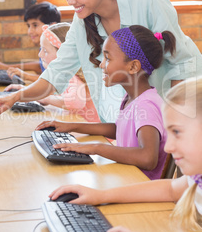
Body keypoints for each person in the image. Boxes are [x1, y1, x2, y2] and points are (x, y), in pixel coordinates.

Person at [0, 0, 202, 123]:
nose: (71, 1)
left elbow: (182, 62)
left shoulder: (147, 2)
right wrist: (16, 96)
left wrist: (176, 116)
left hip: (165, 113)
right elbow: (57, 72)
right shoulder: (82, 21)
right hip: (122, 118)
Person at [48, 77, 202, 232]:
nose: (169, 147)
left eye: (177, 132)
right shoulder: (197, 179)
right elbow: (170, 189)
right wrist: (101, 195)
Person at [36, 25, 175, 180]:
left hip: (140, 185)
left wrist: (96, 148)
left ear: (133, 66)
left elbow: (147, 158)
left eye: (108, 58)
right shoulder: (133, 97)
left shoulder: (146, 105)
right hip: (128, 178)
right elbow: (121, 129)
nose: (102, 64)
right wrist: (72, 126)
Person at [36, 23, 99, 122]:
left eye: (45, 51)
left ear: (64, 55)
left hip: (98, 134)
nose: (40, 54)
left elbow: (76, 102)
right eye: (41, 49)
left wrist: (47, 99)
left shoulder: (72, 76)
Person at [0, 1, 61, 83]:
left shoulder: (58, 49)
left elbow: (54, 79)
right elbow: (41, 66)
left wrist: (25, 75)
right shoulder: (45, 46)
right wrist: (7, 67)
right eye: (29, 26)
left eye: (35, 25)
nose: (30, 31)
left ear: (52, 25)